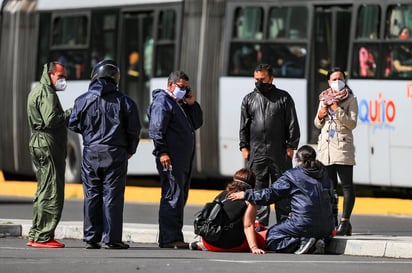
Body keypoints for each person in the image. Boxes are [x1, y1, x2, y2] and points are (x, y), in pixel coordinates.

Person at [68, 60, 141, 249]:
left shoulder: (82, 99)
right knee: (113, 195)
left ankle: (91, 237)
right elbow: (134, 129)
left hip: (91, 152)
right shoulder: (125, 101)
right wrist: (130, 149)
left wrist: (90, 135)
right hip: (115, 153)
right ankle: (112, 238)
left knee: (91, 194)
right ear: (115, 79)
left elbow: (73, 123)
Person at [229, 145, 335, 254]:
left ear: (297, 160)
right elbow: (332, 200)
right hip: (327, 226)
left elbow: (270, 194)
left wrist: (247, 195)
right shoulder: (324, 174)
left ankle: (302, 242)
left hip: (303, 224)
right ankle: (319, 240)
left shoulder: (292, 175)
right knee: (309, 226)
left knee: (272, 236)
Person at [239, 63, 300, 227]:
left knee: (282, 187)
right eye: (256, 79)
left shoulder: (283, 98)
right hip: (256, 153)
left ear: (271, 78)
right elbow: (244, 126)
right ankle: (259, 223)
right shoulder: (248, 99)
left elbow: (292, 123)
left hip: (279, 152)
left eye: (263, 79)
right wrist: (244, 147)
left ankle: (284, 223)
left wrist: (291, 146)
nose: (259, 82)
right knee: (258, 189)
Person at [147, 70, 203, 249]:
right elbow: (157, 129)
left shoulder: (180, 104)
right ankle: (170, 238)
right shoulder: (162, 102)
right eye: (181, 87)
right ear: (170, 85)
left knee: (180, 196)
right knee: (173, 195)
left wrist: (192, 103)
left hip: (182, 160)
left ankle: (172, 236)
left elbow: (197, 123)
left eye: (187, 88)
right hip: (170, 159)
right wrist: (162, 152)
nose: (184, 91)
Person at [26, 62, 71, 248]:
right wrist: (70, 112)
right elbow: (51, 120)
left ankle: (37, 233)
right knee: (52, 190)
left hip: (39, 143)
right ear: (50, 74)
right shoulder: (47, 93)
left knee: (43, 189)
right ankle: (44, 236)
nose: (63, 81)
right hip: (47, 144)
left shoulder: (37, 90)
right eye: (60, 77)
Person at [314, 67, 358, 236]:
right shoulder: (324, 97)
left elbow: (352, 124)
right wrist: (320, 115)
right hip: (326, 148)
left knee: (346, 186)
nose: (337, 81)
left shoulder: (351, 99)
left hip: (342, 147)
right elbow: (317, 124)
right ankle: (332, 220)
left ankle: (345, 222)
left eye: (340, 78)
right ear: (328, 82)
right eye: (334, 79)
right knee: (329, 188)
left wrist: (337, 109)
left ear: (345, 80)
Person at [189, 168, 266, 254]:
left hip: (209, 241)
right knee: (262, 236)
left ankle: (201, 244)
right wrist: (254, 247)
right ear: (253, 185)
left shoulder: (222, 194)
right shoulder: (249, 202)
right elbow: (248, 226)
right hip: (231, 245)